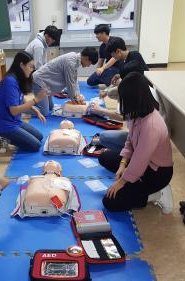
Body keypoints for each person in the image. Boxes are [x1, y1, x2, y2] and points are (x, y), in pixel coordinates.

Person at [98, 72, 174, 214]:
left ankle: (157, 194)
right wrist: (122, 165)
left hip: (157, 173)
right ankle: (136, 184)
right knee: (105, 157)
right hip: (143, 163)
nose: (122, 102)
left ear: (134, 99)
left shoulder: (151, 125)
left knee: (110, 202)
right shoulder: (137, 113)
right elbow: (130, 141)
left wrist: (121, 182)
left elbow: (140, 160)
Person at [0, 51, 47, 152]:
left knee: (40, 136)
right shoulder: (10, 81)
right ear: (21, 65)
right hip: (4, 124)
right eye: (30, 66)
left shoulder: (17, 78)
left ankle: (7, 136)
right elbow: (14, 110)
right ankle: (1, 136)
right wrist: (36, 100)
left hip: (14, 121)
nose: (32, 70)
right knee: (35, 146)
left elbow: (21, 98)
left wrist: (35, 110)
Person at [32, 47, 99, 115]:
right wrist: (76, 101)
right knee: (44, 112)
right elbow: (70, 84)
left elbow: (74, 80)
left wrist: (78, 95)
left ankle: (37, 103)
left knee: (50, 107)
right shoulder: (71, 62)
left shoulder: (74, 58)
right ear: (86, 58)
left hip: (46, 84)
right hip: (39, 82)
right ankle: (23, 108)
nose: (88, 66)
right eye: (90, 63)